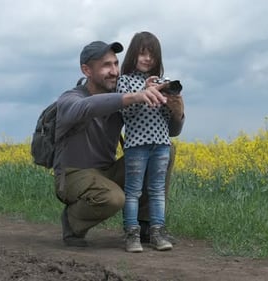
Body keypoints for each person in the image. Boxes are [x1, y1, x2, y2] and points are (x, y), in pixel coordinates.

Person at [53, 40, 185, 247]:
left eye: (116, 64)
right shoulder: (71, 97)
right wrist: (133, 96)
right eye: (106, 65)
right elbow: (87, 108)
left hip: (108, 171)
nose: (114, 71)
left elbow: (172, 132)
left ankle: (145, 226)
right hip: (74, 174)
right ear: (86, 70)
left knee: (164, 150)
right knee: (113, 198)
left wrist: (176, 112)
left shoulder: (121, 97)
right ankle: (72, 221)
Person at [117, 31, 179, 252]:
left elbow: (168, 118)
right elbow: (128, 112)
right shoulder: (124, 81)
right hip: (136, 145)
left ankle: (157, 233)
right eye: (142, 54)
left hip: (161, 143)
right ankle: (131, 234)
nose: (147, 59)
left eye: (152, 55)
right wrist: (144, 90)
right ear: (133, 55)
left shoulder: (161, 82)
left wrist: (170, 97)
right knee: (133, 191)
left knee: (157, 190)